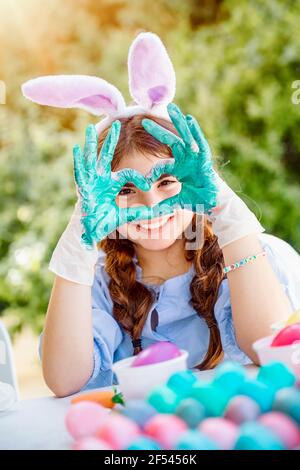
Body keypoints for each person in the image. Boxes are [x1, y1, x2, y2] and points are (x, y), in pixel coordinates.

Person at [21, 32, 300, 397]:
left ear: (198, 178)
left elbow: (274, 350)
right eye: (125, 190)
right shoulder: (100, 282)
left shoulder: (247, 255)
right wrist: (80, 236)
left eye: (167, 181)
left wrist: (227, 210)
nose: (150, 204)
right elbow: (63, 381)